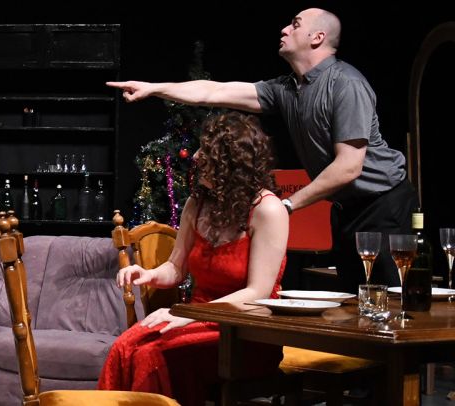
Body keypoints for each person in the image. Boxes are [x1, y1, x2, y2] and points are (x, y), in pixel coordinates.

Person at [106, 8, 412, 293]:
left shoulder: (345, 84)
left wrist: (287, 204)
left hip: (382, 203)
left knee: (389, 300)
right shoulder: (286, 89)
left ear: (317, 37)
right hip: (346, 209)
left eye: (295, 25)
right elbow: (214, 91)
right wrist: (154, 88)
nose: (284, 29)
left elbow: (349, 166)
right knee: (356, 298)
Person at [98, 112, 289, 405]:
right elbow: (176, 267)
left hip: (247, 332)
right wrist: (149, 274)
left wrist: (188, 314)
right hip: (195, 318)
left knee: (153, 355)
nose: (197, 156)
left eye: (206, 151)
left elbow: (257, 293)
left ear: (232, 162)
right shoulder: (197, 203)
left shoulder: (267, 210)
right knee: (124, 347)